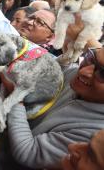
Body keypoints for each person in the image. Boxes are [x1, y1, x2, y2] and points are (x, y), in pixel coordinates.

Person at [6, 15, 104, 169]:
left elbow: (29, 152)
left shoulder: (97, 132)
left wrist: (15, 98)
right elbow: (53, 69)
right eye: (91, 59)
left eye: (102, 74)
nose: (85, 71)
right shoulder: (75, 74)